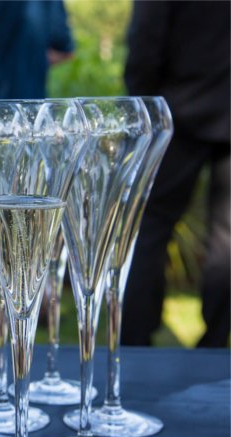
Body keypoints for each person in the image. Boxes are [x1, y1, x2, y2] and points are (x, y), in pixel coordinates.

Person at [121, 1, 230, 348]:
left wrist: (143, 105)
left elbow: (146, 37)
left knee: (148, 225)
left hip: (176, 109)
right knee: (227, 237)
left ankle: (135, 338)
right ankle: (216, 340)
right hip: (190, 108)